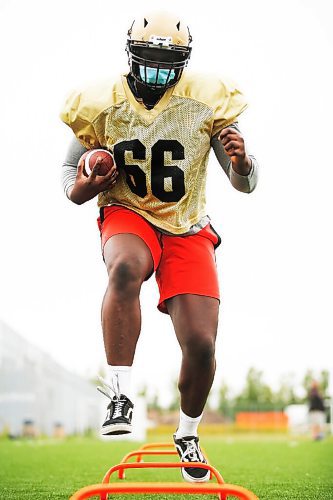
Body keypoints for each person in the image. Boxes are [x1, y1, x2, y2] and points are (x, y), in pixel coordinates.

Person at [60, 10, 258, 482]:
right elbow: (71, 184)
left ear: (184, 63)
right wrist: (92, 181)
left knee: (202, 345)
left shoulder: (205, 101)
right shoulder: (102, 103)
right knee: (125, 267)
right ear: (130, 55)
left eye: (167, 63)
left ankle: (187, 431)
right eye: (147, 60)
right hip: (129, 211)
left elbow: (244, 184)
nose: (156, 73)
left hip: (188, 225)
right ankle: (119, 393)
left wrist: (243, 163)